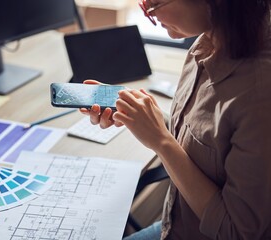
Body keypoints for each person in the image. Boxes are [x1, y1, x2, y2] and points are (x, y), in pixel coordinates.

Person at [80, 0, 271, 239]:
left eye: (155, 2)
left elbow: (234, 231)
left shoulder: (259, 95)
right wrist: (139, 115)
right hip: (176, 222)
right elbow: (206, 136)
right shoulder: (206, 42)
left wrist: (160, 141)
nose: (148, 12)